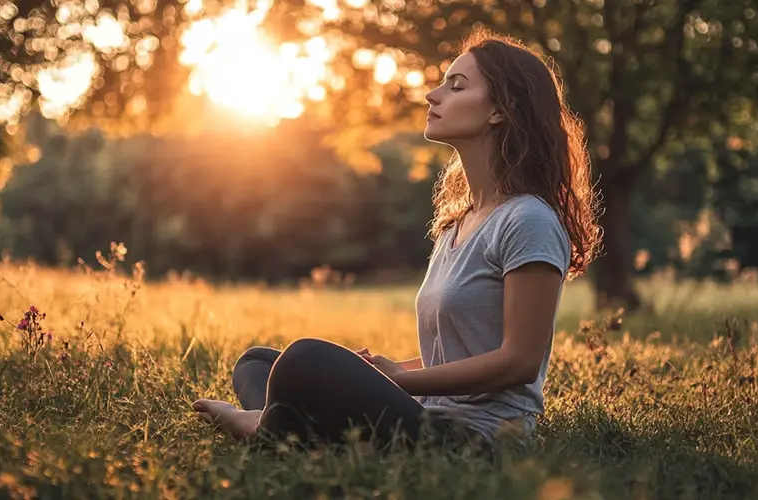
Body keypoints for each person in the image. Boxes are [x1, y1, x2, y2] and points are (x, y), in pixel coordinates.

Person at [192, 28, 601, 451]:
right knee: (259, 362)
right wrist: (382, 371)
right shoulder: (456, 224)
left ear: (500, 110)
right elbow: (458, 356)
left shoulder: (528, 219)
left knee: (302, 361)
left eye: (456, 86)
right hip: (425, 411)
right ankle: (295, 432)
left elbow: (519, 361)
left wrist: (400, 379)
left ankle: (266, 428)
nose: (432, 95)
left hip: (475, 435)